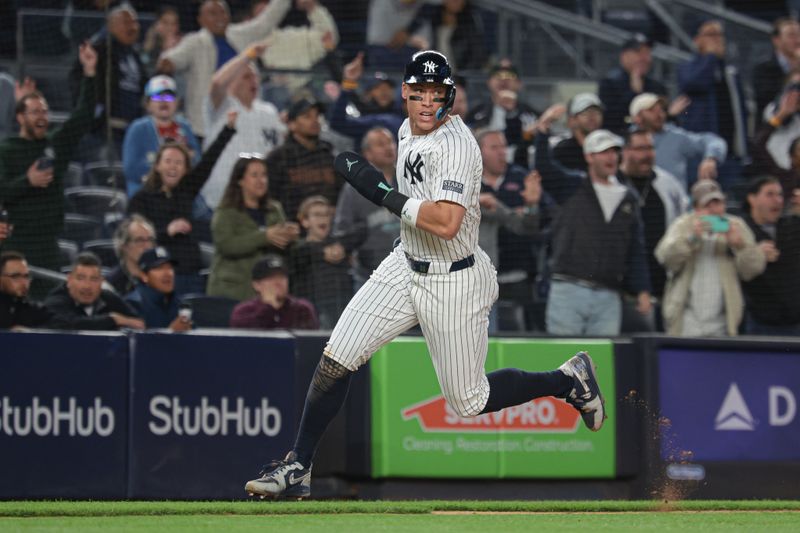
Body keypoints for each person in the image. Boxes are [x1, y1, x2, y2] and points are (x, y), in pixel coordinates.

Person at [244, 50, 606, 500]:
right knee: (336, 359)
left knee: (468, 401)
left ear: (450, 95)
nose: (428, 103)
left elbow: (446, 222)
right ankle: (298, 466)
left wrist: (380, 193)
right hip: (405, 263)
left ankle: (567, 380)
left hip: (453, 277)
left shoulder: (457, 144)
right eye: (419, 94)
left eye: (437, 94)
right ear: (406, 93)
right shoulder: (406, 125)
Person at [534, 121, 652, 336]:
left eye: (614, 152)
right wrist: (542, 133)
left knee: (600, 363)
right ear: (589, 157)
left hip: (609, 294)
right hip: (568, 289)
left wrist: (642, 290)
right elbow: (544, 167)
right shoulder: (571, 186)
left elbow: (635, 248)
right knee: (563, 361)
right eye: (603, 152)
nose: (610, 158)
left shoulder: (629, 198)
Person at [0, 43, 96, 297]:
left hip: (48, 245)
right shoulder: (6, 149)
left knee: (47, 311)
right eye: (34, 112)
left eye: (45, 111)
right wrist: (28, 181)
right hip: (15, 245)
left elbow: (83, 117)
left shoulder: (57, 145)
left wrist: (90, 73)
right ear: (20, 117)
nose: (42, 117)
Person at [128, 111, 237, 296]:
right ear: (157, 166)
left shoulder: (187, 189)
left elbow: (208, 161)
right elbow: (133, 241)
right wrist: (167, 231)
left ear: (186, 169)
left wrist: (228, 130)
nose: (173, 166)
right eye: (168, 161)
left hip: (189, 274)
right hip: (156, 275)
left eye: (179, 163)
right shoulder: (141, 198)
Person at [156, 0, 291, 137]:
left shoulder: (240, 35)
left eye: (223, 12)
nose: (219, 18)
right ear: (201, 20)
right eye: (213, 14)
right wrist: (167, 61)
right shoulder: (194, 42)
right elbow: (169, 61)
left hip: (243, 121)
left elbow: (267, 21)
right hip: (206, 125)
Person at [655, 180, 765, 337]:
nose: (714, 211)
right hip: (686, 320)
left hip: (723, 322)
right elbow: (666, 259)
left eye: (718, 204)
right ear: (696, 209)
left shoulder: (736, 226)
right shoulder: (683, 225)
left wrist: (740, 246)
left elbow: (753, 270)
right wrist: (691, 239)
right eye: (708, 206)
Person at [617, 128, 689, 331]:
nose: (647, 154)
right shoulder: (613, 184)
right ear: (625, 151)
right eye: (640, 148)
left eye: (650, 148)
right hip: (620, 290)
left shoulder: (669, 184)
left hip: (663, 285)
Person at [200, 42, 286, 211]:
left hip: (260, 200)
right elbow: (217, 83)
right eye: (246, 77)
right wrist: (248, 55)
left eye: (255, 77)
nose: (253, 81)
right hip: (222, 200)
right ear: (232, 82)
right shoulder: (222, 107)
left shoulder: (268, 111)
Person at [206, 154, 299, 301]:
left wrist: (291, 237)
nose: (261, 180)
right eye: (254, 175)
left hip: (269, 294)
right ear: (240, 180)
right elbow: (226, 245)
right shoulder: (226, 211)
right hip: (232, 292)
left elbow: (283, 245)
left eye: (264, 175)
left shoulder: (274, 209)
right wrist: (265, 236)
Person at [678, 19, 748, 191]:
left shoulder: (730, 72)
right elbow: (694, 84)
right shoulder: (688, 68)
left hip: (732, 154)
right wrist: (710, 57)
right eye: (710, 34)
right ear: (697, 40)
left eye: (719, 35)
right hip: (703, 157)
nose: (717, 39)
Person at [69, 5, 145, 154]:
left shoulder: (135, 55)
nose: (133, 27)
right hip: (103, 132)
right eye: (126, 22)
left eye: (135, 22)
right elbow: (76, 80)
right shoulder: (99, 49)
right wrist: (93, 114)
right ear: (111, 25)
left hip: (130, 131)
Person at [333, 126, 400, 282]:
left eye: (390, 142)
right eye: (380, 144)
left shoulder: (409, 179)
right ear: (367, 153)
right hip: (370, 274)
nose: (388, 147)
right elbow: (342, 230)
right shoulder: (354, 188)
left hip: (410, 269)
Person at [122, 75, 201, 197]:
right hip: (146, 193)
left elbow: (197, 161)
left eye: (169, 97)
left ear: (176, 102)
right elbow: (131, 169)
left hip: (180, 193)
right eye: (157, 97)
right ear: (148, 104)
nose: (164, 101)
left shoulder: (184, 127)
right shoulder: (138, 128)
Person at [629, 92, 727, 190]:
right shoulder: (625, 143)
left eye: (661, 110)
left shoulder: (676, 137)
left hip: (676, 202)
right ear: (637, 117)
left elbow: (713, 141)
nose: (659, 114)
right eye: (651, 110)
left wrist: (711, 158)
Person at [740, 176, 800, 335]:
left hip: (795, 322)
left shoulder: (792, 225)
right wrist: (756, 254)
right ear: (752, 199)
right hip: (760, 323)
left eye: (780, 195)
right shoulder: (740, 228)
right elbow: (740, 270)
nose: (778, 200)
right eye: (770, 194)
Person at [265, 97, 341, 221]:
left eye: (317, 116)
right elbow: (270, 200)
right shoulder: (278, 158)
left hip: (330, 227)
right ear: (291, 125)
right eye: (307, 117)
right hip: (294, 231)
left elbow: (342, 194)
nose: (315, 121)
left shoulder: (330, 154)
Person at [290, 196, 353, 329]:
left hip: (343, 311)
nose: (323, 219)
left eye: (326, 215)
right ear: (305, 221)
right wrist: (322, 252)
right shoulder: (297, 249)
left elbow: (360, 232)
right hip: (312, 313)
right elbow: (300, 252)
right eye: (317, 215)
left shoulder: (340, 246)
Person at [44, 252, 144, 331]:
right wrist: (112, 319)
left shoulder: (108, 298)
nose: (87, 286)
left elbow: (139, 323)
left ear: (101, 282)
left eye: (94, 279)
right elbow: (68, 324)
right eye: (81, 278)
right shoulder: (56, 301)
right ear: (69, 280)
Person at [465, 59, 539, 166]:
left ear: (519, 84)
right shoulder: (476, 114)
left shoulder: (531, 115)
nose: (503, 80)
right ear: (489, 82)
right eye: (497, 75)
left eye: (510, 76)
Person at [328, 53, 404, 148]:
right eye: (377, 88)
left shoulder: (404, 112)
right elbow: (337, 123)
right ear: (367, 95)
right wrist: (349, 81)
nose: (384, 91)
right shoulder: (368, 119)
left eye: (388, 87)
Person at [598, 33, 667, 135]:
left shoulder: (657, 86)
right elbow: (608, 120)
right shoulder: (609, 84)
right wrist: (634, 93)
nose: (644, 58)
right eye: (638, 52)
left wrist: (671, 114)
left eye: (647, 53)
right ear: (624, 56)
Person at [229, 254, 318, 329]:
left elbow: (308, 344)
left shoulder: (301, 309)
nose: (278, 282)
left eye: (282, 277)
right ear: (257, 285)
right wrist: (269, 308)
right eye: (271, 278)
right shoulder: (244, 311)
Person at [125, 246, 192, 331]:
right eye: (159, 268)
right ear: (144, 276)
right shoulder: (133, 304)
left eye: (170, 267)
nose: (168, 273)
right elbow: (136, 342)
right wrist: (170, 332)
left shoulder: (180, 303)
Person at [411, 0, 488, 72]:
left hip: (459, 77)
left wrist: (462, 79)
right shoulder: (433, 20)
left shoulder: (470, 23)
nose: (455, 2)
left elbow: (477, 54)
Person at [752, 17, 800, 121]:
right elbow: (772, 101)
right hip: (775, 129)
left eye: (799, 34)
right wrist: (796, 71)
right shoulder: (763, 69)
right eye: (791, 35)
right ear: (776, 40)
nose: (798, 40)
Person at [552, 93, 605, 173]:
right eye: (585, 113)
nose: (592, 116)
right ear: (571, 120)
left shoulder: (608, 149)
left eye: (596, 112)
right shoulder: (562, 151)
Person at [0, 250, 53, 329]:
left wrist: (31, 332)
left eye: (26, 276)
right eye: (15, 276)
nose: (24, 283)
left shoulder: (34, 310)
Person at [107, 214, 157, 296]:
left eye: (150, 240)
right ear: (124, 246)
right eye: (140, 240)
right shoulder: (111, 284)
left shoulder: (160, 279)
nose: (147, 246)